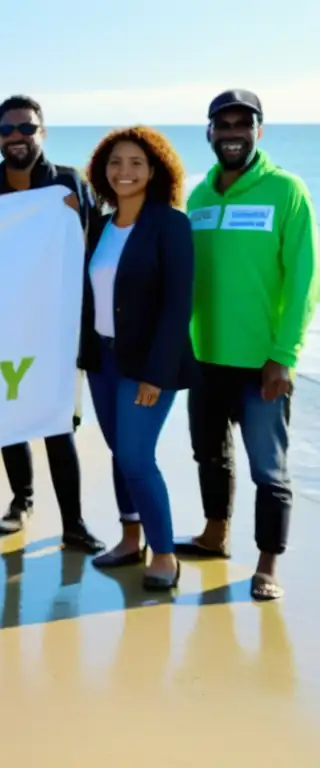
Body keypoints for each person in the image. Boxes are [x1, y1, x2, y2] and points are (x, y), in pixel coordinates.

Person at [177, 90, 319, 601]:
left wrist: (285, 354)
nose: (233, 132)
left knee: (267, 467)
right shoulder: (198, 198)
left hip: (262, 363)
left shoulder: (287, 190)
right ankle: (215, 536)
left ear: (259, 131)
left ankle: (267, 564)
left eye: (244, 123)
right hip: (205, 356)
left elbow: (305, 279)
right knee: (208, 455)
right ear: (209, 133)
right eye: (223, 124)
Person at [0, 95, 104, 554]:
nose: (17, 137)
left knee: (58, 425)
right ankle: (20, 501)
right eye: (8, 130)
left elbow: (97, 242)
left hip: (61, 328)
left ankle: (74, 523)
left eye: (26, 128)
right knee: (12, 421)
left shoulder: (70, 182)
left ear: (42, 132)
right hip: (4, 326)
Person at [78, 126, 195, 590]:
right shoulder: (99, 225)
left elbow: (177, 305)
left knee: (136, 455)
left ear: (154, 171)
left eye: (135, 163)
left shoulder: (170, 224)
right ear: (102, 171)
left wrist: (155, 374)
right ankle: (130, 540)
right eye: (115, 163)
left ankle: (163, 552)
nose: (124, 172)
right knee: (118, 453)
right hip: (101, 361)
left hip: (146, 366)